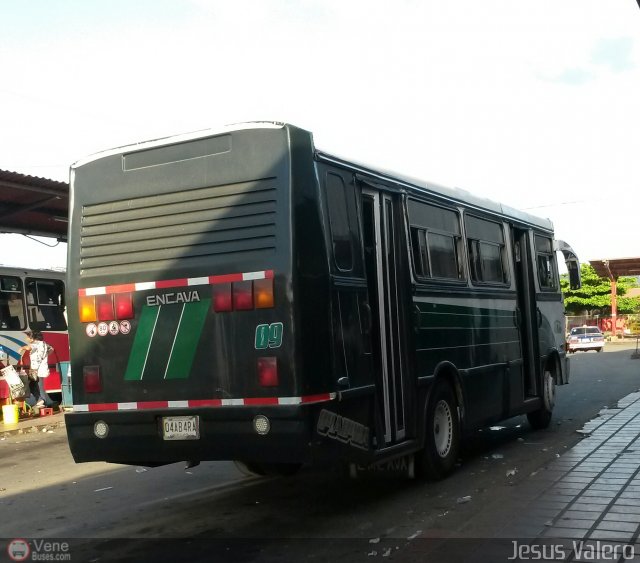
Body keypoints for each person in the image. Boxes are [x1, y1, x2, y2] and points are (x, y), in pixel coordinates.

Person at [18, 330, 56, 409]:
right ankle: (42, 401)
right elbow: (52, 349)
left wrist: (22, 348)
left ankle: (41, 401)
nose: (26, 339)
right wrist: (45, 355)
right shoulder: (44, 344)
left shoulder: (35, 344)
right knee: (34, 385)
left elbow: (29, 347)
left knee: (38, 386)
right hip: (41, 369)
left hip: (37, 370)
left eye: (27, 337)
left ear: (32, 338)